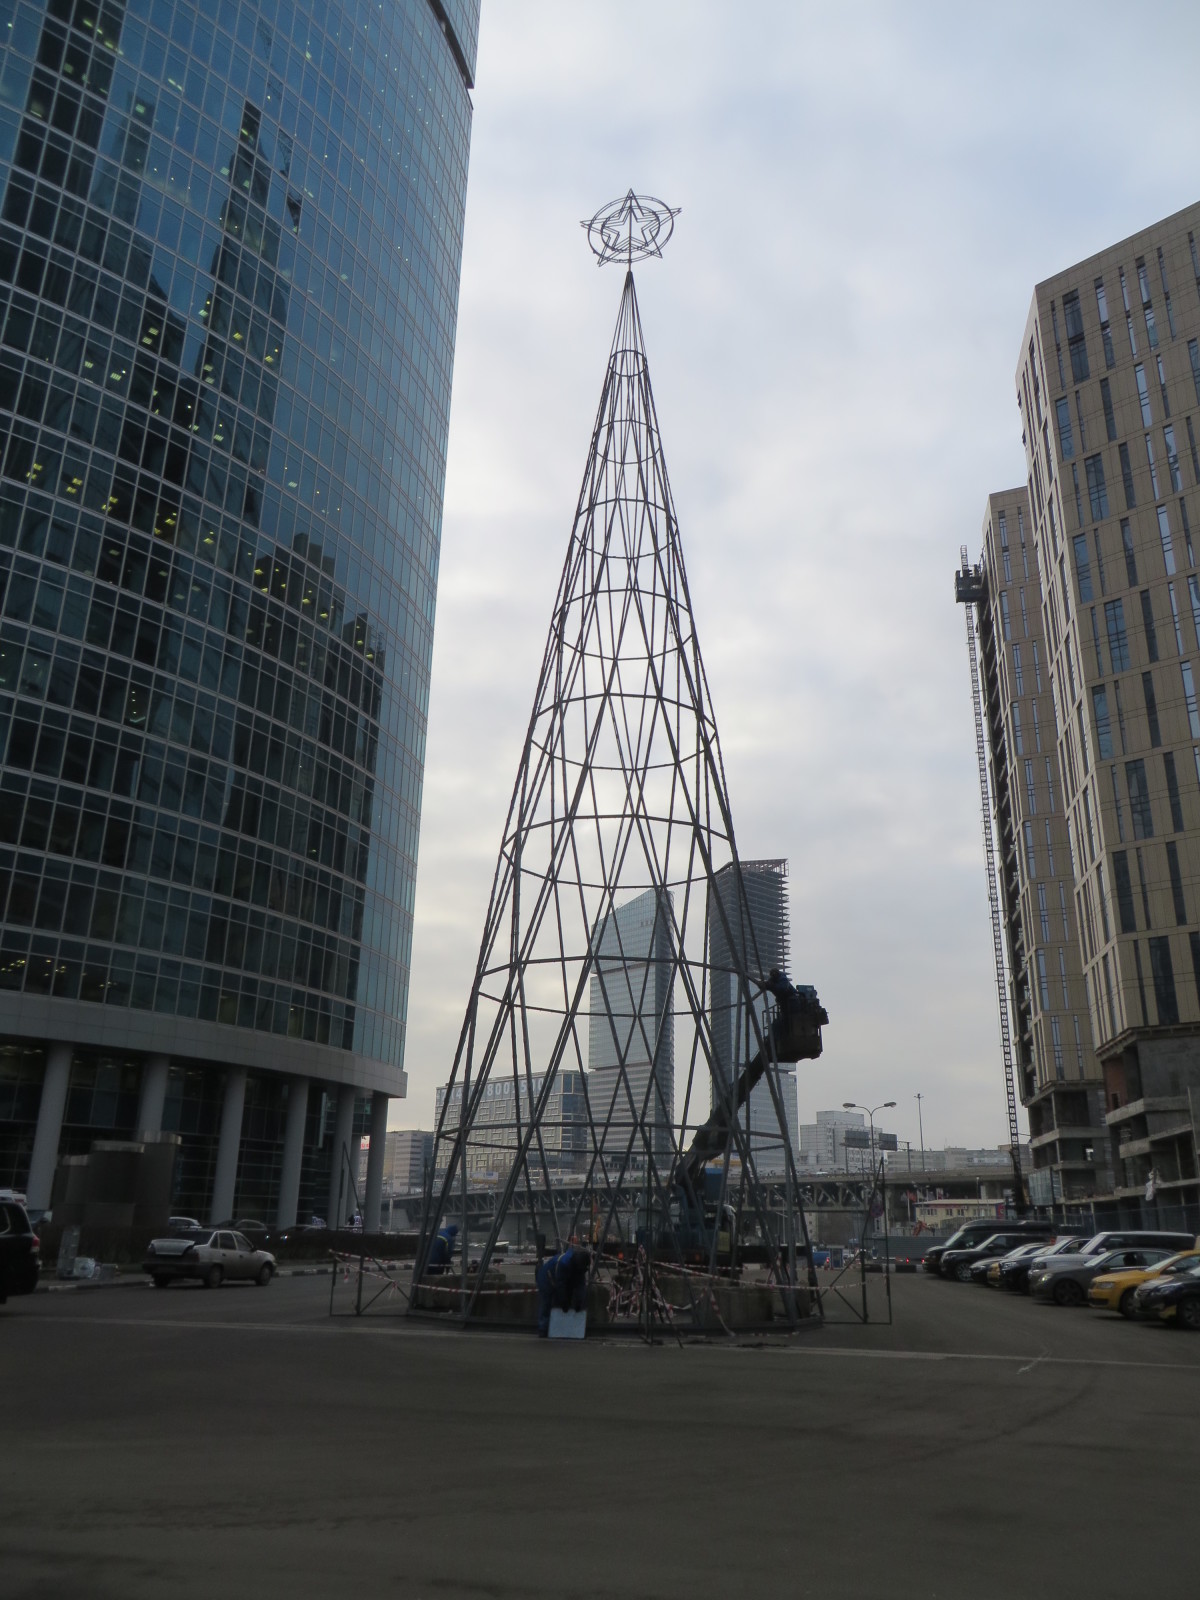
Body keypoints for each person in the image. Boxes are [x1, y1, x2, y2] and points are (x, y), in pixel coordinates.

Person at [534, 1245, 592, 1337]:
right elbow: (561, 1286)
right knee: (546, 1302)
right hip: (546, 1278)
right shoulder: (563, 1264)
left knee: (562, 1302)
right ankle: (543, 1329)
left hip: (559, 1278)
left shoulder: (580, 1266)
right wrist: (564, 1302)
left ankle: (558, 1329)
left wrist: (579, 1302)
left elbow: (581, 1285)